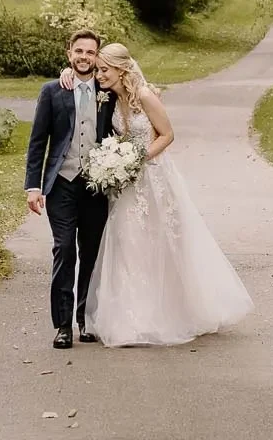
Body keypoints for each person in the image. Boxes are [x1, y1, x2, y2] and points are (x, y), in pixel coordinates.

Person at [77, 42, 254, 346]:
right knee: (126, 243)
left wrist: (137, 158)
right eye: (99, 69)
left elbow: (168, 134)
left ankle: (173, 312)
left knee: (159, 244)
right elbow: (78, 80)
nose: (99, 74)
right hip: (125, 184)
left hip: (154, 179)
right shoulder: (109, 98)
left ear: (121, 69)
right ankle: (130, 318)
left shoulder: (145, 96)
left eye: (105, 69)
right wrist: (117, 161)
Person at [24, 29, 117, 349]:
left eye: (90, 53)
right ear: (69, 54)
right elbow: (38, 142)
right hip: (62, 185)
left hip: (96, 186)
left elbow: (132, 90)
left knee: (91, 254)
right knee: (64, 250)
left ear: (97, 57)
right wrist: (33, 187)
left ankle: (85, 320)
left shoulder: (109, 91)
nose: (83, 57)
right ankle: (63, 325)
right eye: (79, 51)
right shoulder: (53, 91)